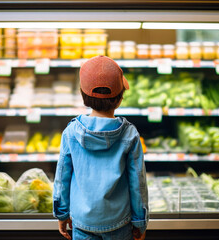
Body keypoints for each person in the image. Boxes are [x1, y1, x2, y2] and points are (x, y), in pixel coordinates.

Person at [53, 55, 149, 240]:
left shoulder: (71, 132)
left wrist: (62, 214)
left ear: (83, 95)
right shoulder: (130, 134)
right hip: (119, 223)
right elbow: (138, 183)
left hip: (82, 222)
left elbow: (62, 177)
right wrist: (140, 222)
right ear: (120, 98)